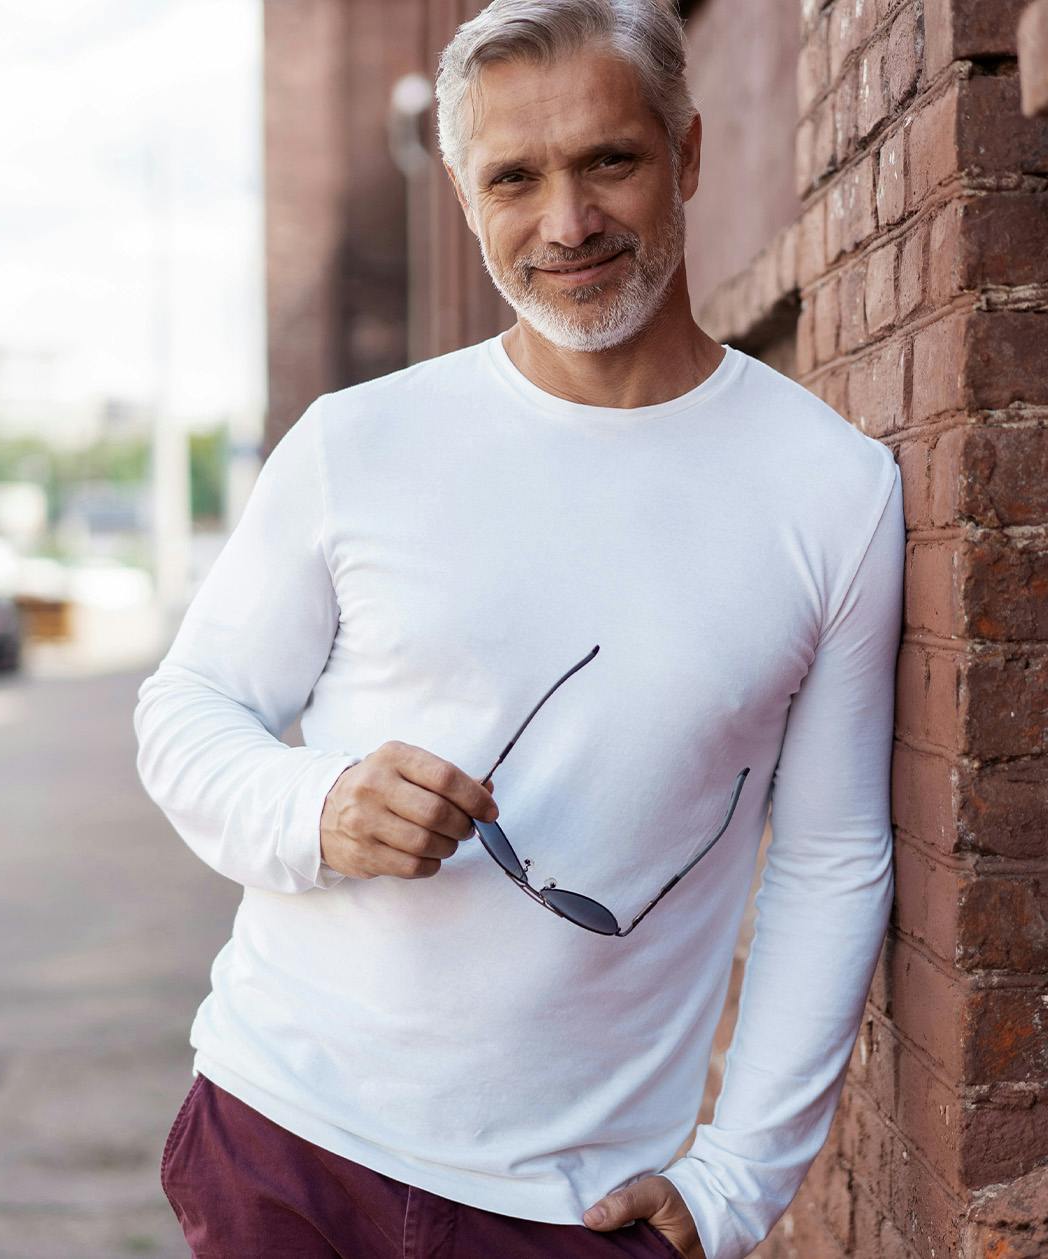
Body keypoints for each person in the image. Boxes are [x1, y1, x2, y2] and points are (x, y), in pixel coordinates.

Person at [133, 1, 905, 1256]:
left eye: (610, 160)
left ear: (689, 154)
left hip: (573, 1208)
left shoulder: (834, 491)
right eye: (515, 177)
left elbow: (831, 862)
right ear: (462, 190)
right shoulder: (357, 442)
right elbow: (186, 707)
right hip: (287, 1142)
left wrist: (732, 1181)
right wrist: (314, 806)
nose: (567, 223)